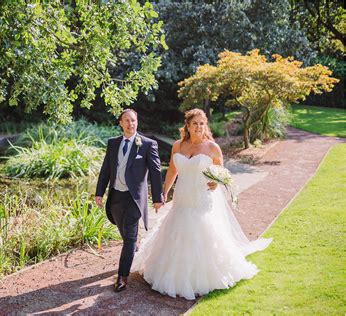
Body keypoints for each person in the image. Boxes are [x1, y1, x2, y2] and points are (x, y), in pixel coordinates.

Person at [131, 108, 272, 299]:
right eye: (195, 123)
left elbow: (221, 175)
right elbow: (172, 171)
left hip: (200, 199)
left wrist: (216, 183)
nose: (198, 127)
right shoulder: (178, 146)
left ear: (205, 126)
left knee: (201, 234)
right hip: (181, 198)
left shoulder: (213, 148)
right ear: (187, 125)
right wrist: (164, 192)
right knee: (176, 232)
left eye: (202, 123)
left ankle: (202, 275)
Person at [95, 108, 164, 292]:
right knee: (126, 236)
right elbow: (106, 170)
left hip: (134, 198)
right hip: (116, 196)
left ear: (137, 122)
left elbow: (156, 173)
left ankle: (122, 277)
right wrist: (99, 192)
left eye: (133, 120)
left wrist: (158, 197)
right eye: (126, 120)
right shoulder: (113, 143)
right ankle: (134, 248)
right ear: (120, 123)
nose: (130, 124)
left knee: (130, 237)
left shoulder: (148, 144)